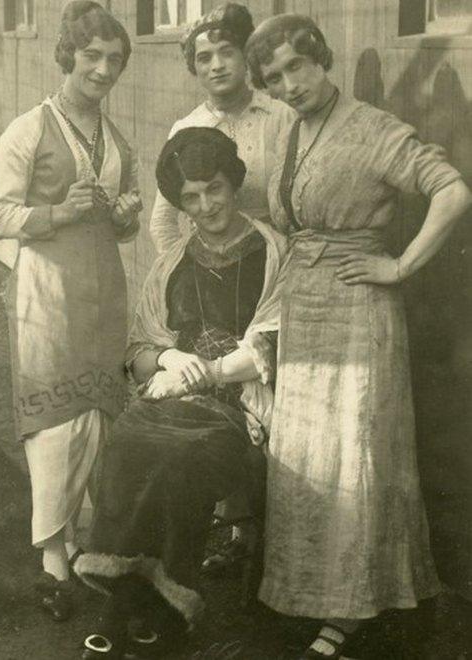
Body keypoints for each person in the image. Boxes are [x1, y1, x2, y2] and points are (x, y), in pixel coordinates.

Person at [244, 14, 472, 660]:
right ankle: (309, 592)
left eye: (296, 66)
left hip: (357, 312)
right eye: (273, 76)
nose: (287, 84)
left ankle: (353, 610)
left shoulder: (372, 128)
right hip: (306, 305)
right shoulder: (290, 129)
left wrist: (397, 267)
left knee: (355, 456)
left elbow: (451, 192)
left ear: (322, 60)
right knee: (310, 457)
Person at [74, 127, 288, 659]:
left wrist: (209, 373)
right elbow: (139, 351)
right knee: (127, 441)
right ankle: (131, 604)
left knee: (182, 459)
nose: (205, 205)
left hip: (238, 405)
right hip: (170, 397)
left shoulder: (273, 252)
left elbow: (273, 343)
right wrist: (169, 357)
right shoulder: (174, 260)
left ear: (233, 184)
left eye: (214, 188)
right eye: (190, 197)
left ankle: (160, 606)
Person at [0, 1, 142, 621]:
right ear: (68, 55)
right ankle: (52, 560)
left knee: (97, 418)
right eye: (93, 56)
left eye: (115, 60)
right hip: (46, 293)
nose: (103, 70)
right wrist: (59, 214)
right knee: (54, 423)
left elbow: (120, 222)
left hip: (102, 290)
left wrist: (124, 216)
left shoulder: (115, 136)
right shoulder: (28, 128)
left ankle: (77, 546)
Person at [149, 2, 294, 254]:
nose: (217, 65)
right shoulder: (187, 128)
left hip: (277, 259)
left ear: (245, 56)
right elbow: (161, 223)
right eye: (204, 58)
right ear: (195, 67)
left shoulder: (282, 116)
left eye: (227, 52)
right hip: (215, 269)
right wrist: (188, 272)